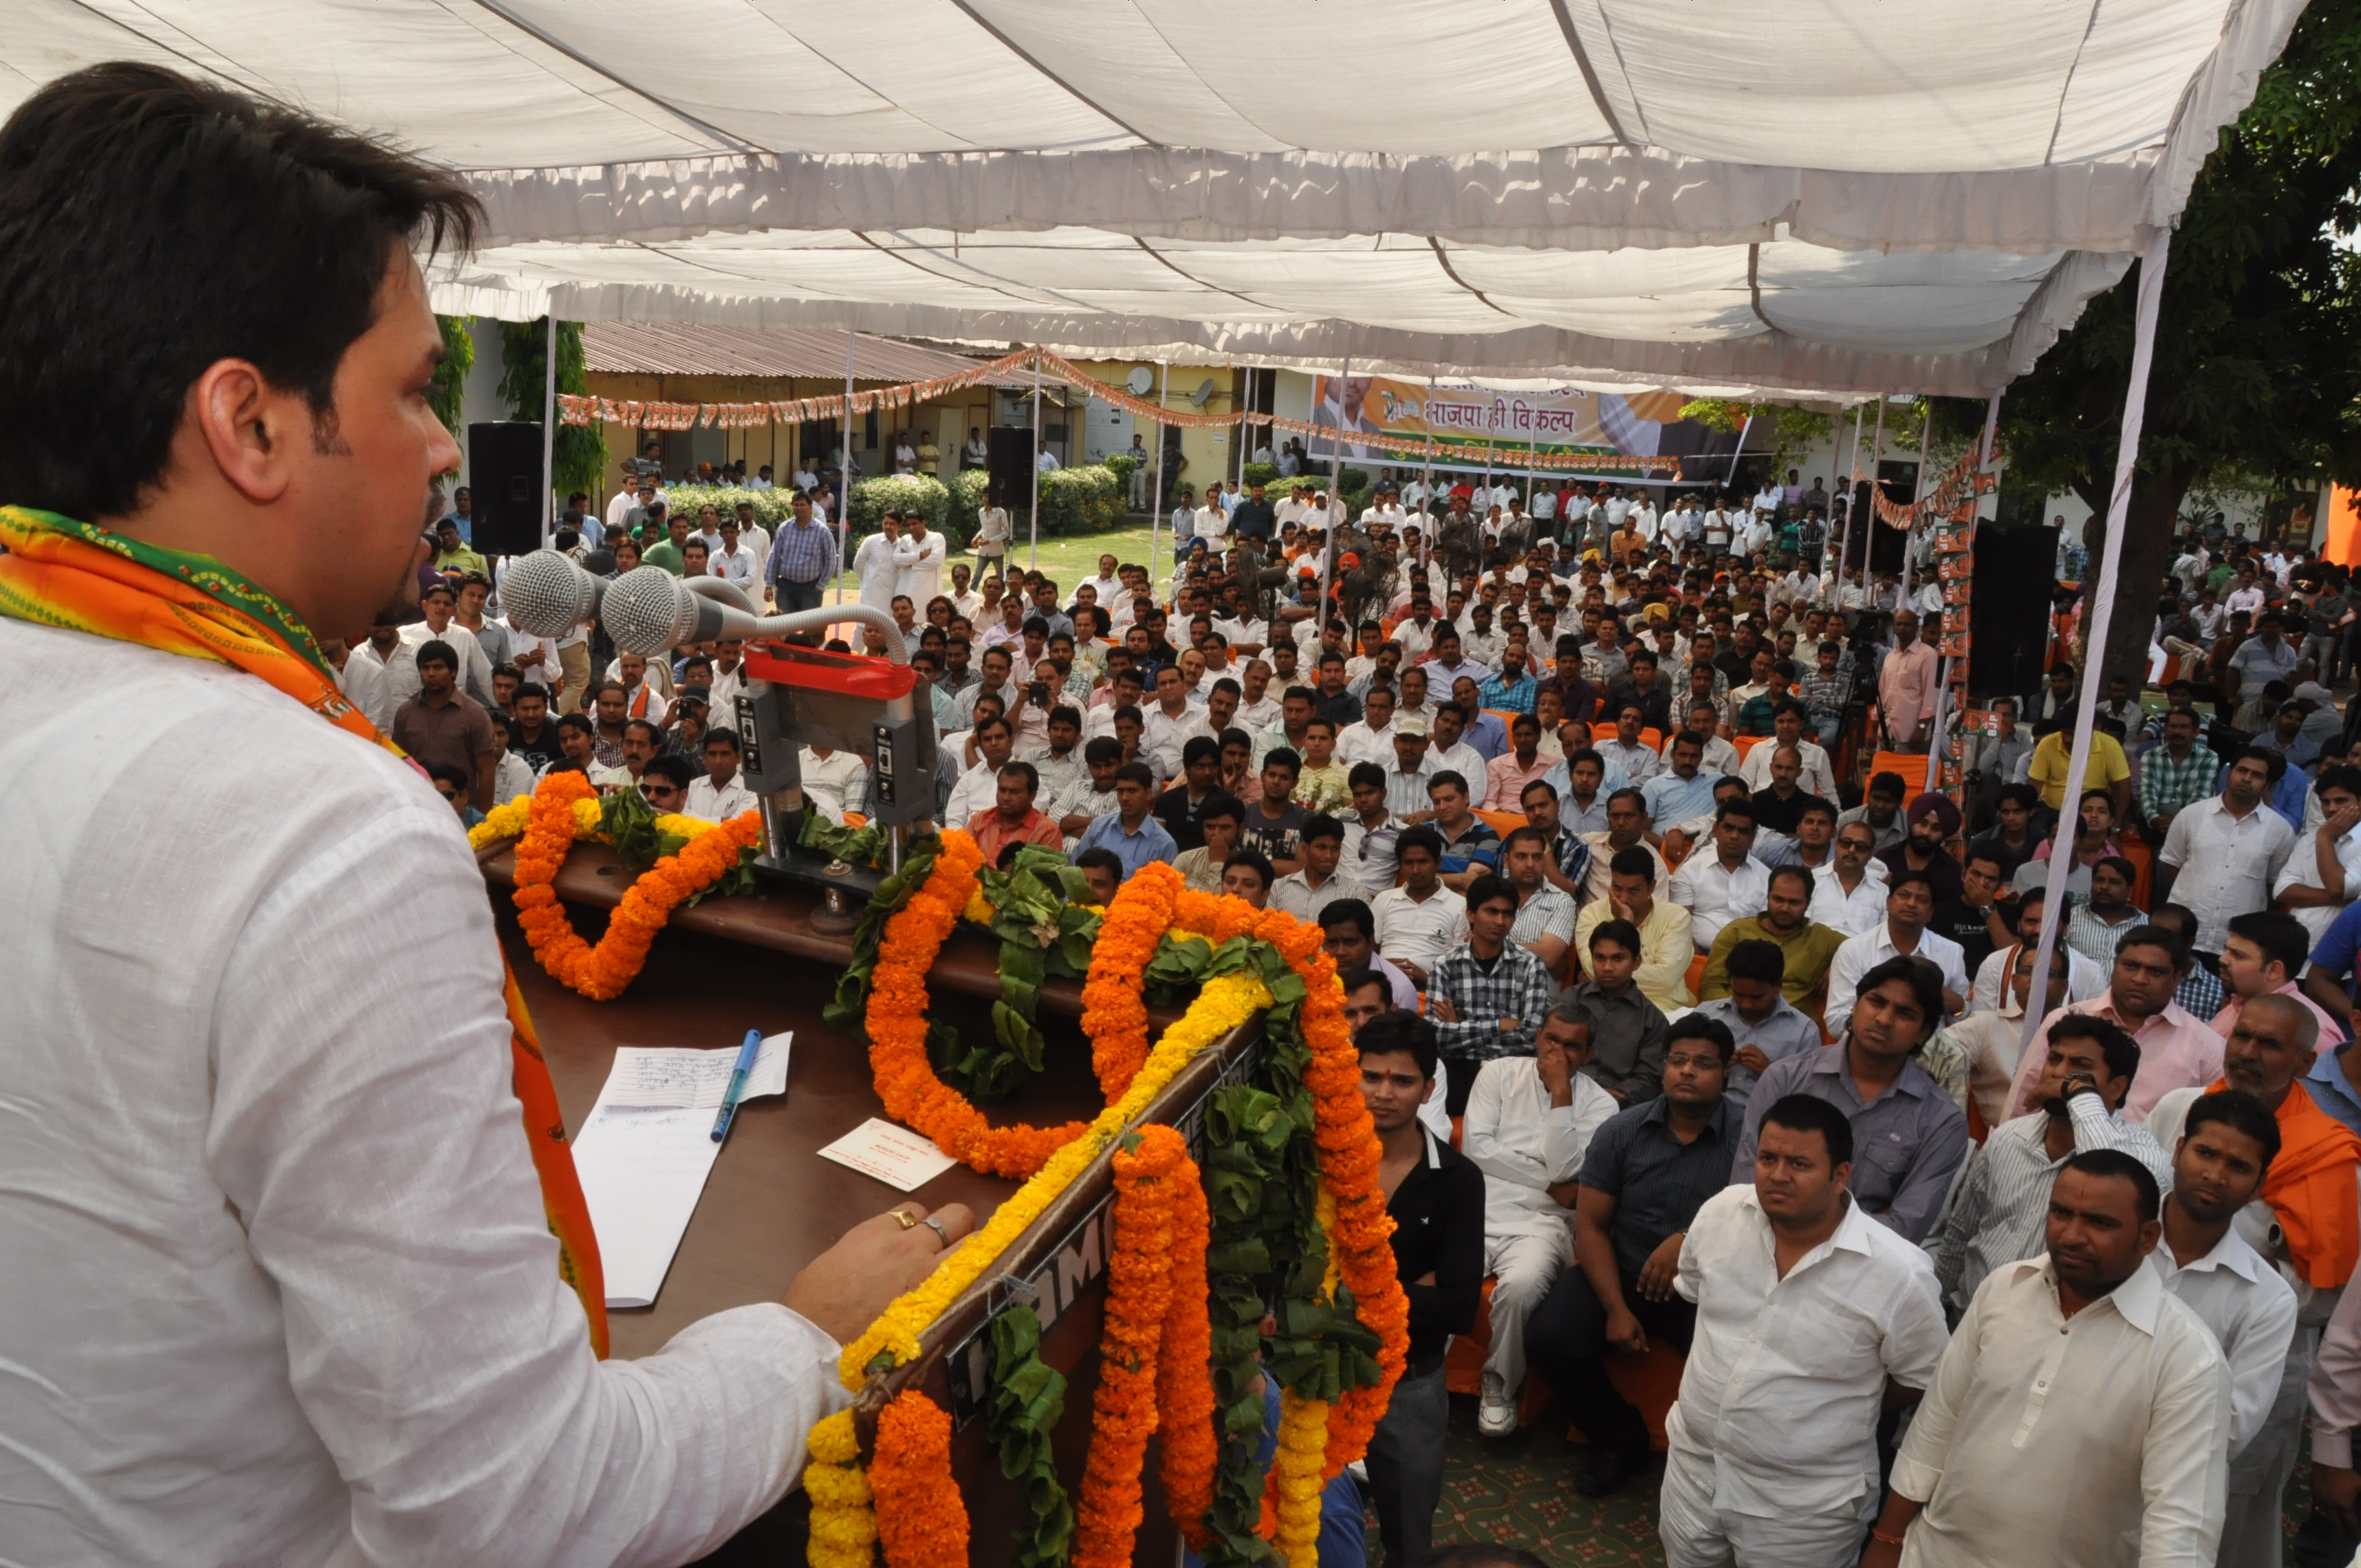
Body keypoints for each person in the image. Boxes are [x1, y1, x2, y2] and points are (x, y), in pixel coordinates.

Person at [0, 63, 986, 1567]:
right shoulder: (317, 838)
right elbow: (514, 1513)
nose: (449, 447)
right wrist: (804, 1340)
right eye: (407, 391)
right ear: (249, 426)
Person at [1863, 1152, 2232, 1568]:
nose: (2072, 1235)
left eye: (2099, 1222)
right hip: (1932, 1555)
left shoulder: (2187, 1358)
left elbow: (2180, 1527)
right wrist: (1889, 1538)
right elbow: (1937, 1423)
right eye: (2061, 1213)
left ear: (2148, 1238)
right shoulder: (2004, 1287)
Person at [1658, 1095, 1950, 1567]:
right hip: (1695, 1469)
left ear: (1840, 1176)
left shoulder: (1897, 1274)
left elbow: (1921, 1377)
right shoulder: (1721, 1214)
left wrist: (1833, 1407)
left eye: (1799, 1163)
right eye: (1768, 1158)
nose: (1777, 1175)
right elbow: (1695, 1294)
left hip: (1802, 1508)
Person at [2147, 995, 2361, 1567]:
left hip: (2257, 1362)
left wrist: (2255, 1279)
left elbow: (2335, 1297)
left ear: (2302, 1063)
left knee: (2222, 1524)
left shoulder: (2332, 1157)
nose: (2247, 1053)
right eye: (2242, 1036)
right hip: (2137, 1331)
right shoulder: (2180, 1108)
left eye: (2269, 1045)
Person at [1522, 1017, 1739, 1496]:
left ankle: (1720, 1464)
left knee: (1741, 1366)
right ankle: (1619, 1438)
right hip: (1623, 1271)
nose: (1688, 1072)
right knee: (1547, 1336)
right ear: (1662, 1066)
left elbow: (1755, 1225)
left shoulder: (1748, 1140)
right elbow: (1592, 1224)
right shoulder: (1622, 1132)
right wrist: (1616, 1308)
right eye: (1678, 1060)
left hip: (1706, 1287)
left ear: (1727, 1072)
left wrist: (1689, 1237)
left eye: (1704, 1064)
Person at [1929, 1015, 2172, 1313]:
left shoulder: (2145, 1159)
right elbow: (1960, 1233)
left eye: (2080, 1067)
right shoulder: (2009, 1137)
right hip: (1967, 1315)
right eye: (2055, 1059)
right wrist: (1934, 1304)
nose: (2059, 1073)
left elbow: (2111, 1174)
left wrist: (2079, 1096)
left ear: (2116, 1087)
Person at [1357, 1010, 1484, 1568]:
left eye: (1402, 1081)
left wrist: (1345, 1292)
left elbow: (1457, 1308)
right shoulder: (1317, 1158)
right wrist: (1409, 1289)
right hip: (1309, 1370)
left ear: (1429, 1088)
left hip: (1409, 1380)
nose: (1384, 1093)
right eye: (1372, 1076)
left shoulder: (1457, 1179)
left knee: (1409, 1540)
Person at [1460, 1005, 1618, 1437]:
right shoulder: (1497, 1074)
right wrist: (1546, 1181)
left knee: (1523, 1287)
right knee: (1445, 1275)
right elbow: (1477, 1149)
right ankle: (1410, 1373)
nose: (1558, 1051)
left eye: (1572, 1046)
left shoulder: (1600, 1105)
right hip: (1480, 1206)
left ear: (1589, 1053)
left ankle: (1499, 1383)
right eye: (1552, 1039)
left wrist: (1561, 1095)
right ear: (1537, 1037)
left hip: (1543, 1225)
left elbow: (1568, 1168)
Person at [1731, 957, 1970, 1242]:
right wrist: (1862, 1217)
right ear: (1856, 1006)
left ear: (1924, 1033)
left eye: (1904, 1013)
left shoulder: (1940, 1121)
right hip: (1763, 1248)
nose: (1883, 1019)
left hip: (1860, 1274)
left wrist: (1798, 1213)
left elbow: (1903, 1231)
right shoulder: (1786, 1079)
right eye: (1876, 1002)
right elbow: (1745, 1193)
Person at [2148, 1092, 2299, 1474]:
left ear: (2258, 1184)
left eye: (2237, 1165)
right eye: (2206, 1153)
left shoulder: (2268, 1299)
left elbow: (2229, 1428)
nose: (2215, 1175)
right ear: (2179, 1151)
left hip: (2163, 1492)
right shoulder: (2110, 1235)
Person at [1999, 923, 2230, 1124]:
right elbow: (2023, 1101)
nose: (2140, 979)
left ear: (2176, 978)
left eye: (2155, 972)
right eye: (2130, 966)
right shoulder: (2064, 1021)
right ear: (2115, 965)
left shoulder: (2206, 1047)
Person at [2158, 747, 2299, 962]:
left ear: (2267, 785)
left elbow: (2273, 886)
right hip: (2184, 935)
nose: (2247, 778)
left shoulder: (2280, 830)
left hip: (2238, 944)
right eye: (2242, 770)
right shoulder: (2191, 815)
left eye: (2257, 775)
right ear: (2228, 774)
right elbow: (2172, 866)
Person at [1821, 871, 1968, 1037]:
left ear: (1931, 913)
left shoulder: (1951, 952)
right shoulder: (1854, 949)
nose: (1912, 904)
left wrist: (1959, 1006)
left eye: (1922, 900)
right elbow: (1835, 1021)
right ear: (1888, 902)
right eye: (1904, 895)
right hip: (1868, 1048)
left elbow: (1963, 1025)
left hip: (1928, 1055)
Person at [1688, 938, 1827, 1111]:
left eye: (1757, 997)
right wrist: (1713, 1064)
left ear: (1778, 986)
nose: (1746, 1004)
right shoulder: (1707, 1015)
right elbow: (1677, 1072)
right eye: (1738, 994)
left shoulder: (1803, 1031)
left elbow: (1810, 1099)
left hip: (1768, 1122)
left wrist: (1769, 1072)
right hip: (1703, 1115)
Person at [1573, 846, 1695, 1011]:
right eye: (1617, 888)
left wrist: (1608, 976)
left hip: (1662, 1008)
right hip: (1606, 1005)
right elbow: (1592, 969)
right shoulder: (1591, 914)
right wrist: (1625, 923)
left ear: (1652, 887)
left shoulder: (1677, 917)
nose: (1623, 899)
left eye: (1633, 891)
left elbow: (1667, 979)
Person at [1370, 827, 1469, 991]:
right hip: (1383, 987)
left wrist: (1426, 978)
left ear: (1438, 863)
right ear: (1400, 866)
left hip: (1432, 991)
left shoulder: (1459, 905)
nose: (1415, 870)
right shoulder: (1384, 900)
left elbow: (1460, 967)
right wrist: (1385, 968)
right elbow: (1369, 952)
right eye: (1408, 863)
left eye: (1423, 862)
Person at [1073, 762, 1178, 876]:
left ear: (1148, 794)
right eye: (1120, 791)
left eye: (1132, 791)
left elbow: (1163, 889)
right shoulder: (1098, 826)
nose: (1124, 798)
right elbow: (1075, 869)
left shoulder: (1164, 844)